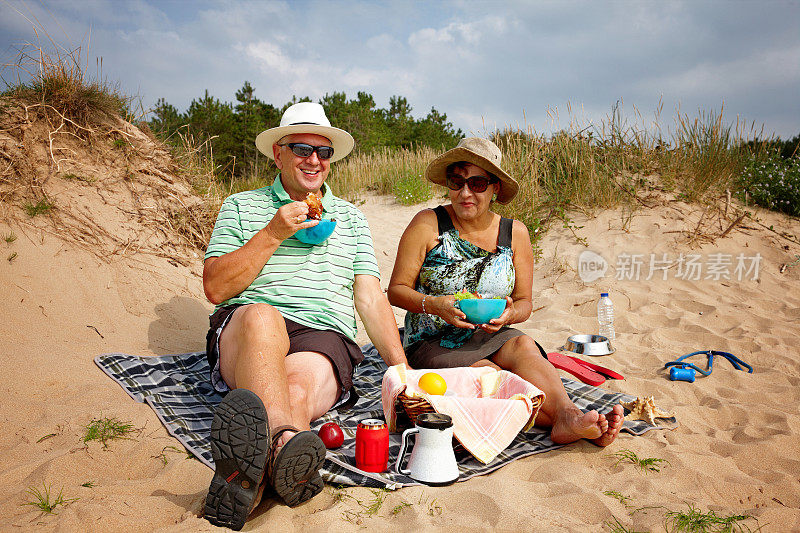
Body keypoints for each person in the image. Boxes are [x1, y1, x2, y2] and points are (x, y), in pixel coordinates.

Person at [202, 102, 408, 530]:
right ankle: (284, 444)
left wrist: (401, 369)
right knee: (262, 317)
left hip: (323, 336)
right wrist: (273, 232)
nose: (313, 159)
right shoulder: (242, 206)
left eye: (324, 152)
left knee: (294, 394)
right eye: (301, 148)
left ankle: (252, 477)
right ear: (277, 153)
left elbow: (369, 297)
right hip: (249, 327)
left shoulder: (350, 217)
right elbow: (216, 288)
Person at [387, 137, 624, 449]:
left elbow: (525, 302)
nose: (465, 192)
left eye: (478, 183)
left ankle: (567, 413)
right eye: (457, 181)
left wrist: (510, 314)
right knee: (488, 374)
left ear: (495, 188)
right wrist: (435, 305)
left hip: (491, 334)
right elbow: (395, 291)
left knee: (524, 344)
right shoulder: (428, 224)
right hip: (432, 340)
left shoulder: (515, 234)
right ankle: (563, 422)